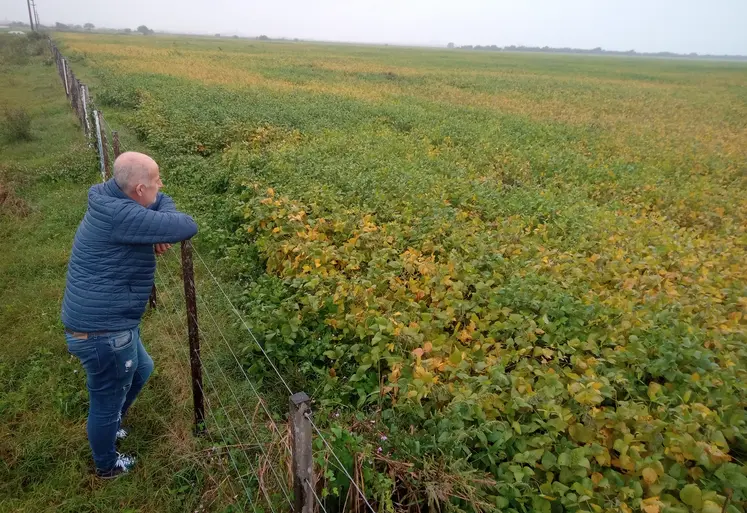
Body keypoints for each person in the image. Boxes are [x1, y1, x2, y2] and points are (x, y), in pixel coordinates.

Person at [61, 152, 198, 479]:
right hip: (102, 332)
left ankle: (110, 424)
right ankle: (106, 465)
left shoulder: (112, 199)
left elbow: (164, 201)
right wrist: (160, 227)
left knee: (143, 369)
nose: (160, 185)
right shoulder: (122, 216)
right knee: (105, 399)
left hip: (107, 320)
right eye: (154, 180)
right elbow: (187, 225)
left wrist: (156, 226)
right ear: (138, 190)